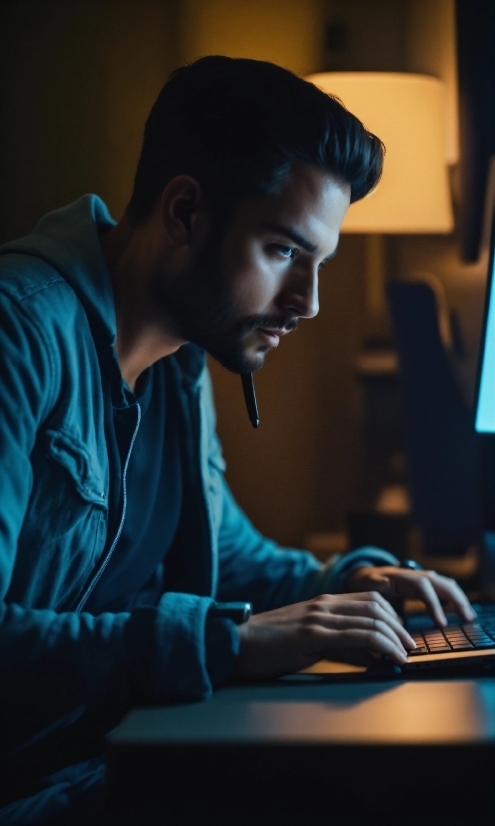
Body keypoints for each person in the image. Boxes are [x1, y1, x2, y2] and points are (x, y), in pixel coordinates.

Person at [0, 56, 475, 824]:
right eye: (284, 251)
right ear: (185, 213)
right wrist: (230, 642)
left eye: (317, 262)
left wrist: (350, 582)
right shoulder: (18, 334)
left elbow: (229, 559)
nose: (308, 303)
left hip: (115, 760)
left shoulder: (178, 359)